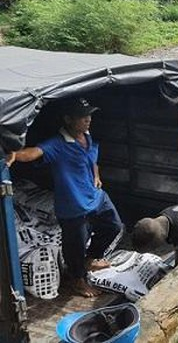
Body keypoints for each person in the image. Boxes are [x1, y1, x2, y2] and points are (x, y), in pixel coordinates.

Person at [6, 97, 123, 297]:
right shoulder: (57, 145)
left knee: (114, 226)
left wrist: (96, 175)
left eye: (89, 115)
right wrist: (13, 154)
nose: (88, 120)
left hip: (96, 196)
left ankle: (92, 258)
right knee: (74, 246)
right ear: (68, 119)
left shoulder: (87, 135)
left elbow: (92, 157)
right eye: (82, 117)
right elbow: (32, 153)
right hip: (73, 204)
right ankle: (76, 280)